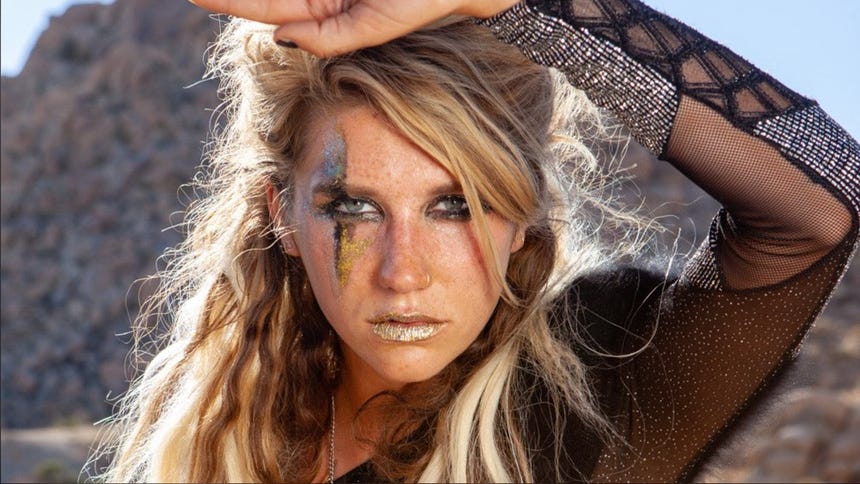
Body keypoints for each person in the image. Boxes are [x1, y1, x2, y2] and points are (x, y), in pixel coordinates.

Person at [91, 0, 858, 482]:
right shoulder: (212, 448)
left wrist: (509, 4)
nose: (403, 273)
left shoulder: (596, 401)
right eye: (354, 208)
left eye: (455, 205)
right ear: (284, 218)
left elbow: (818, 200)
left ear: (525, 213)